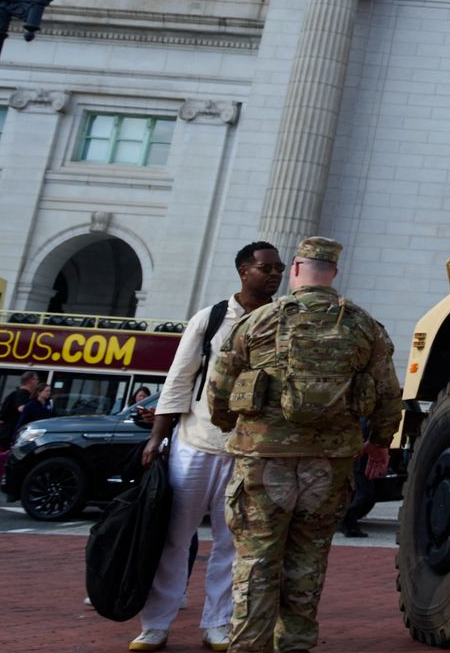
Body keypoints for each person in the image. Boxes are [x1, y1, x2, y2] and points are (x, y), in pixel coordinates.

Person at [207, 236, 401, 653]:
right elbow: (388, 395)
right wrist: (380, 444)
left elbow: (220, 387)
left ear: (295, 269)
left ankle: (247, 646)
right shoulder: (364, 325)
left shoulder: (258, 321)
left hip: (263, 459)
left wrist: (230, 424)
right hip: (328, 465)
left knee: (256, 559)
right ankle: (294, 643)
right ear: (332, 272)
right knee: (309, 557)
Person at [126, 240, 284, 653]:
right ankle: (155, 625)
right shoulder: (212, 318)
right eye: (266, 267)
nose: (275, 274)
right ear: (243, 271)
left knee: (232, 546)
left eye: (279, 268)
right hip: (195, 445)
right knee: (173, 539)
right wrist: (157, 436)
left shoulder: (284, 321)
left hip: (249, 451)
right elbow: (179, 379)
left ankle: (217, 624)